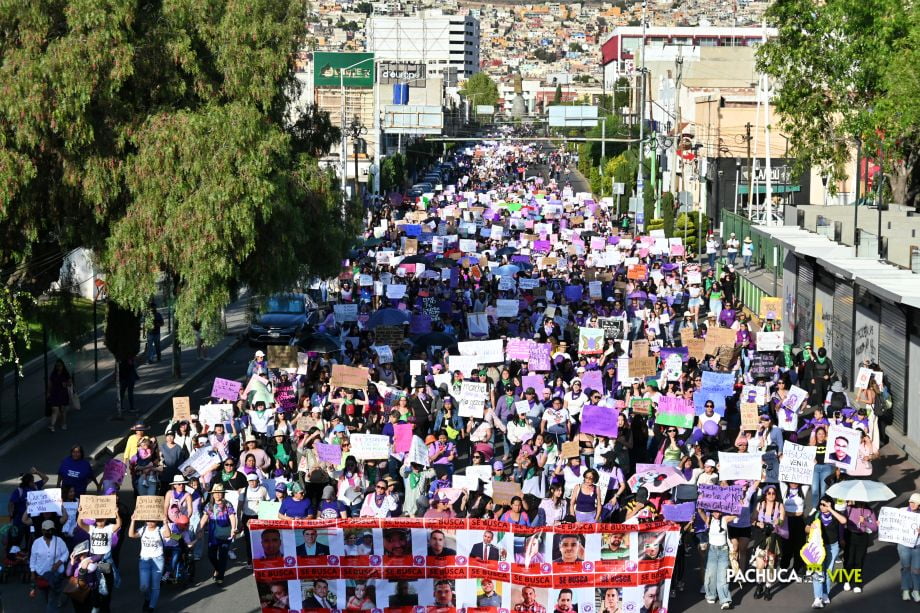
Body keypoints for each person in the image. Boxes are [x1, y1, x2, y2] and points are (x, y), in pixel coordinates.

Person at [806, 495, 847, 608]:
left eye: (825, 504)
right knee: (818, 571)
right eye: (821, 504)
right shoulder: (816, 515)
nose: (822, 506)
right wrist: (811, 527)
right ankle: (817, 598)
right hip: (818, 547)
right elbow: (806, 528)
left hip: (833, 546)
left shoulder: (835, 515)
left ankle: (825, 593)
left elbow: (843, 521)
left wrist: (830, 509)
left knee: (828, 571)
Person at [198, 482, 238, 584]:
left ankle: (220, 577)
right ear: (213, 493)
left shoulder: (227, 504)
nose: (218, 494)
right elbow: (204, 518)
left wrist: (233, 529)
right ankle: (218, 569)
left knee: (223, 556)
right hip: (213, 535)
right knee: (211, 555)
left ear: (223, 493)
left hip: (225, 534)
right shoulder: (209, 505)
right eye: (216, 492)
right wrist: (199, 529)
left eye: (220, 492)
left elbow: (232, 517)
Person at [128, 517, 170, 612]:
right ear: (145, 520)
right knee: (143, 587)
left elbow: (168, 534)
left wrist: (165, 522)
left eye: (153, 520)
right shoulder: (143, 530)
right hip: (144, 560)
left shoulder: (160, 530)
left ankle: (151, 606)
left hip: (158, 560)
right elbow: (131, 534)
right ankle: (147, 598)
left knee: (155, 586)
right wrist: (133, 520)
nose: (150, 522)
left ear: (157, 520)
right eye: (148, 520)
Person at [29, 519, 69, 611]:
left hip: (55, 576)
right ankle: (53, 602)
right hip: (41, 575)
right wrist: (32, 573)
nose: (49, 532)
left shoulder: (59, 541)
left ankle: (53, 604)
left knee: (52, 600)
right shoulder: (37, 542)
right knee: (46, 596)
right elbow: (33, 559)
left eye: (51, 530)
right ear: (42, 530)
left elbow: (66, 553)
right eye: (47, 530)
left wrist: (58, 563)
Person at [843, 500, 877, 593]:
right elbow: (843, 521)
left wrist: (865, 522)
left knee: (859, 561)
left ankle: (857, 583)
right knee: (848, 560)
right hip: (850, 535)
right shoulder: (850, 508)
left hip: (863, 537)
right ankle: (847, 580)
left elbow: (874, 527)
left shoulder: (869, 511)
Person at [897, 492, 920, 602]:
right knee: (906, 567)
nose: (912, 504)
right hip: (904, 545)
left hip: (917, 546)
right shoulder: (901, 511)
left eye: (915, 503)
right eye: (911, 502)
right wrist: (880, 524)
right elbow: (891, 522)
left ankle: (916, 590)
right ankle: (905, 590)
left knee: (916, 569)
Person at [47, 359, 71, 432]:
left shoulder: (66, 374)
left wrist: (66, 384)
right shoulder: (53, 374)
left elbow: (70, 383)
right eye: (57, 366)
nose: (58, 367)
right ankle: (52, 425)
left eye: (60, 366)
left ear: (63, 366)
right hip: (55, 393)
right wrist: (48, 392)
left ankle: (63, 424)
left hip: (63, 393)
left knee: (63, 410)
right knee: (55, 410)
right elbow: (50, 384)